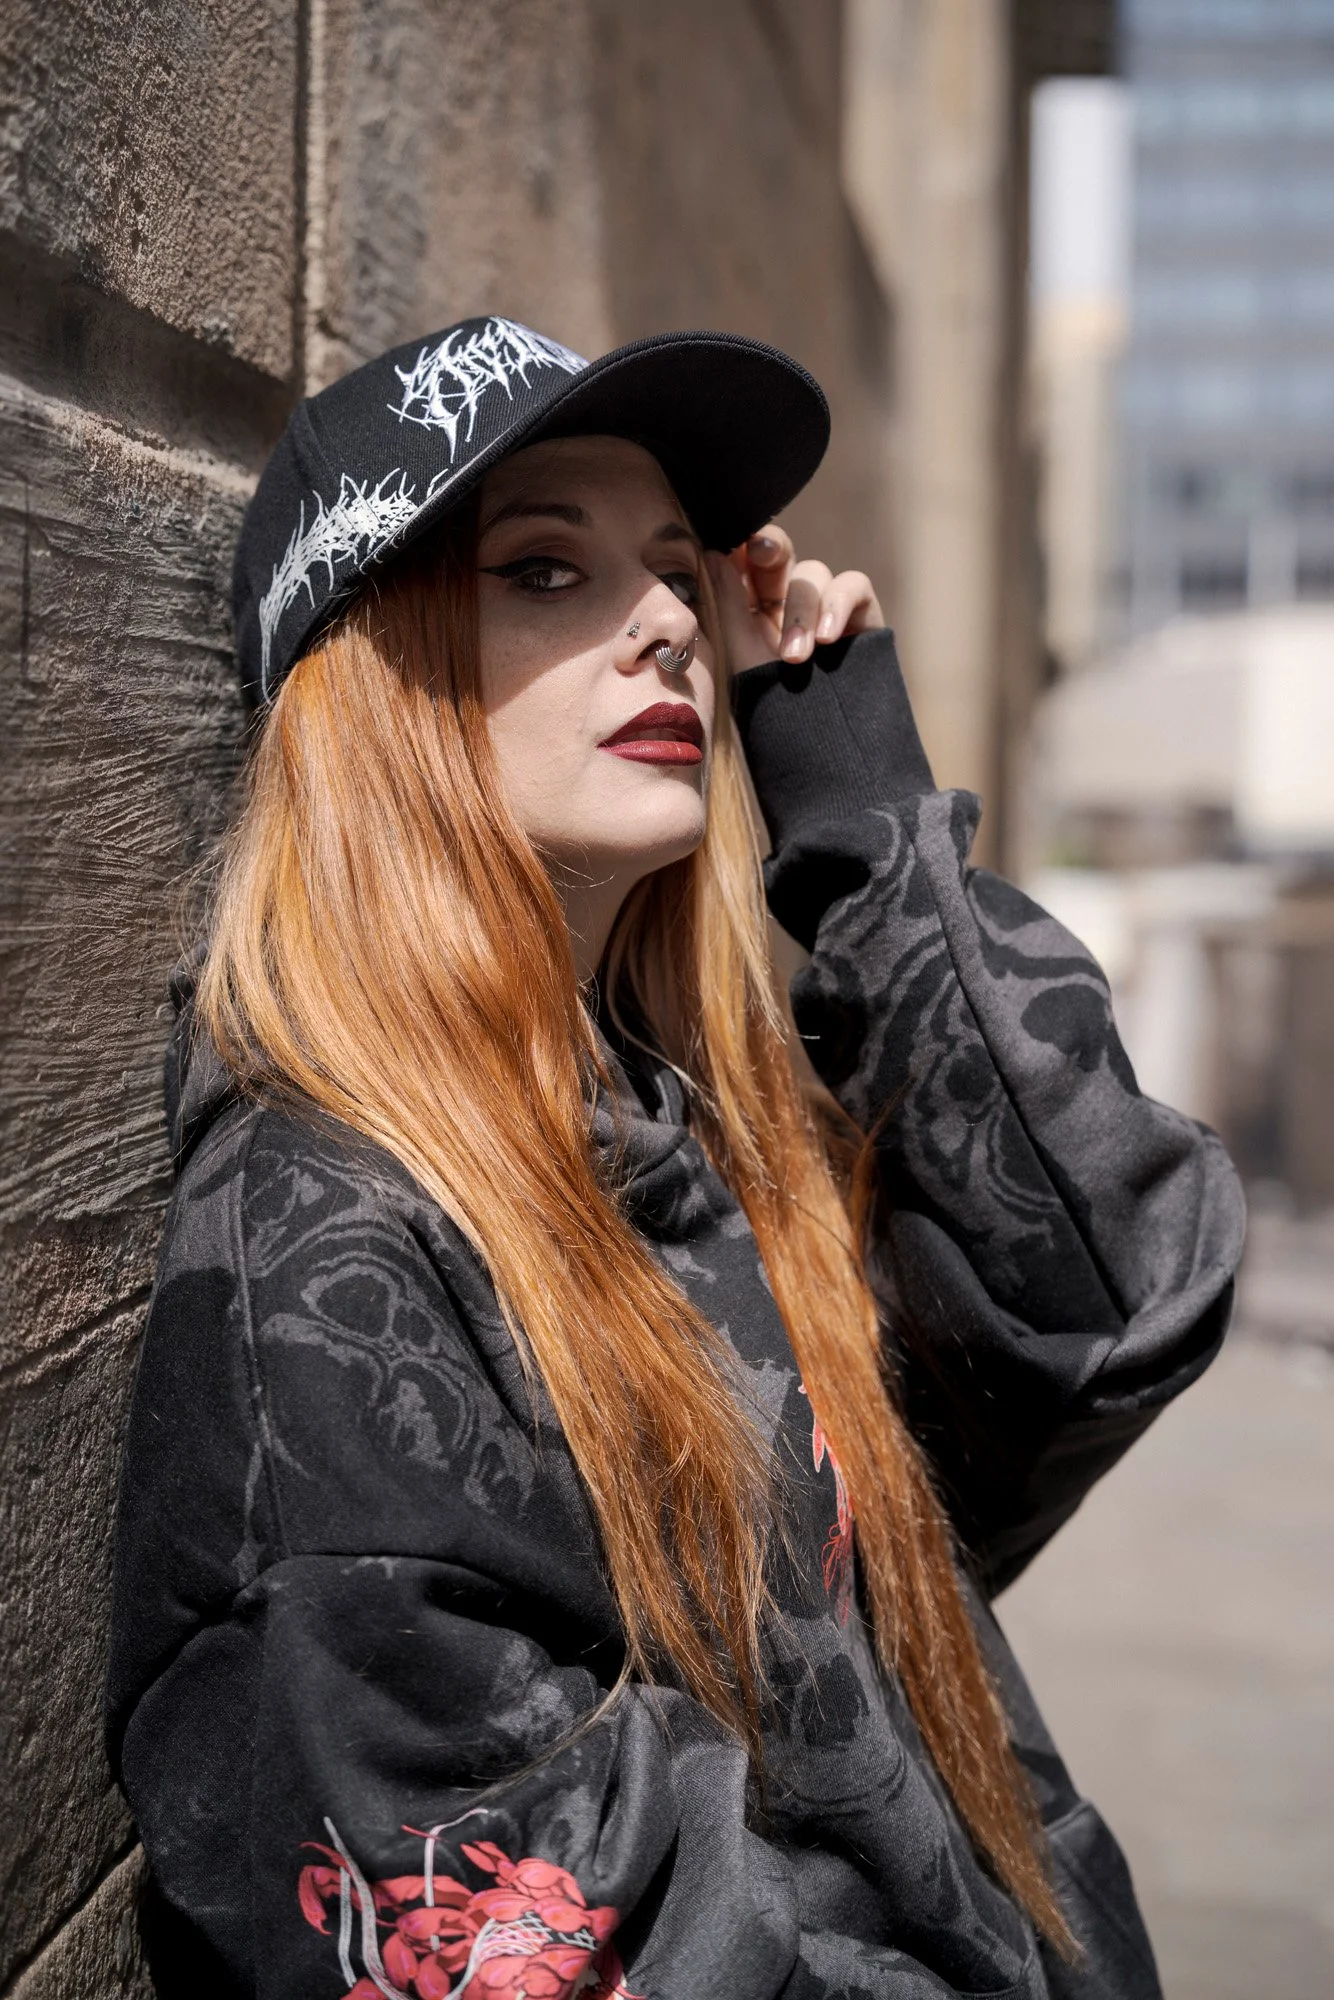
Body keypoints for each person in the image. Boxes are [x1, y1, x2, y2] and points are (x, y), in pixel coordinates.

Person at [106, 317, 1244, 2000]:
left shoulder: (691, 1130)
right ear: (380, 681)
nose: (663, 625)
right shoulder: (322, 1262)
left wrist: (866, 838)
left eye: (671, 573)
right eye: (545, 571)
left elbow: (1101, 1300)